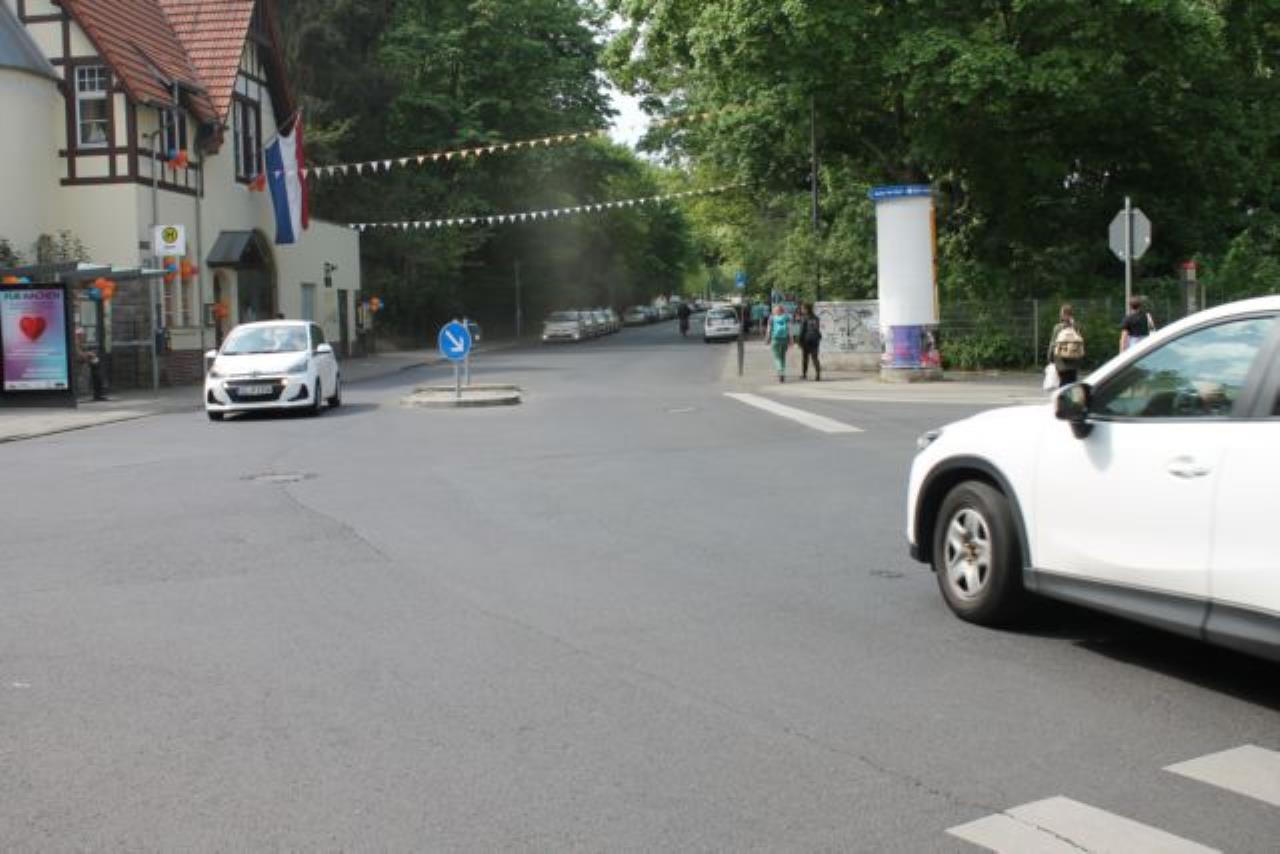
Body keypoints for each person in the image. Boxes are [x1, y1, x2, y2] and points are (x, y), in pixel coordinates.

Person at [1048, 303, 1085, 386]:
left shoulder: (1058, 328)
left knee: (1062, 385)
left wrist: (1050, 359)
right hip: (1074, 363)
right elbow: (1080, 343)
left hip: (1061, 363)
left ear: (1063, 315)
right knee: (1072, 385)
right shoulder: (1076, 328)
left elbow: (1052, 345)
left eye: (1061, 313)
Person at [763, 303, 792, 382]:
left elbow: (768, 330)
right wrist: (791, 340)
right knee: (783, 356)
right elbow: (790, 329)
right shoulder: (786, 317)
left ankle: (780, 371)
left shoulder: (771, 318)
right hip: (784, 339)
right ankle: (783, 372)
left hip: (775, 339)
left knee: (777, 357)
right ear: (782, 310)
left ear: (774, 311)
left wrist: (767, 339)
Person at [797, 302, 822, 381]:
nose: (801, 310)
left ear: (806, 309)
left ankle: (804, 374)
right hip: (815, 339)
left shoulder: (804, 318)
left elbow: (802, 330)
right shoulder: (816, 318)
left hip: (806, 339)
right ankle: (818, 374)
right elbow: (817, 328)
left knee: (805, 358)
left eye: (802, 308)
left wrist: (799, 341)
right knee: (815, 357)